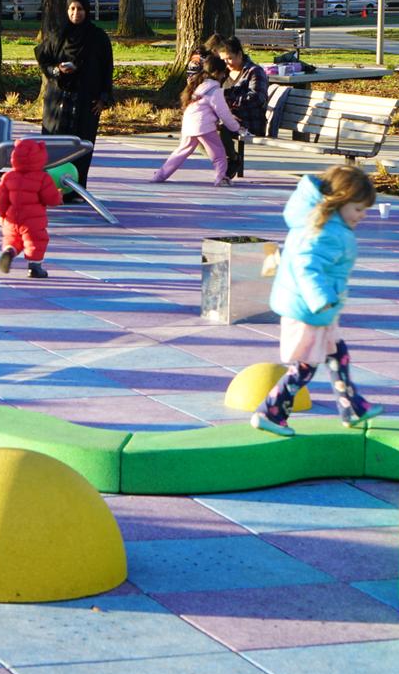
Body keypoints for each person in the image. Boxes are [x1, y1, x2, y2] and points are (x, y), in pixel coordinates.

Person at [252, 165, 382, 432]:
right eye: (358, 209)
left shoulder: (324, 224)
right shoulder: (327, 232)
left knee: (336, 351)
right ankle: (270, 413)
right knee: (306, 364)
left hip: (318, 307)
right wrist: (320, 298)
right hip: (309, 308)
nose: (362, 215)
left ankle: (351, 406)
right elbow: (306, 265)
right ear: (340, 202)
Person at [34, 0, 114, 197]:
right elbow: (43, 59)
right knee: (55, 146)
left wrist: (104, 97)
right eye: (72, 9)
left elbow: (107, 68)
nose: (76, 13)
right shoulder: (58, 35)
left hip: (86, 101)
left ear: (86, 11)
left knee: (81, 145)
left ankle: (75, 190)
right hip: (58, 102)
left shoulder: (98, 37)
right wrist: (57, 71)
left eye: (80, 9)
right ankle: (51, 189)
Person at [151, 48, 244, 184]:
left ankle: (160, 175)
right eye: (224, 73)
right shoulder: (215, 90)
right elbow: (223, 113)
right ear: (219, 73)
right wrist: (236, 127)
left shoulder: (199, 86)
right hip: (204, 127)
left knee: (180, 152)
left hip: (189, 124)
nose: (224, 76)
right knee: (219, 155)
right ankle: (220, 178)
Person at [0, 138, 60, 278]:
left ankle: (9, 251)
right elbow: (51, 199)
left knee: (13, 238)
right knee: (36, 240)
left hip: (12, 217)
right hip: (33, 220)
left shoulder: (8, 176)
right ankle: (34, 267)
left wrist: (2, 214)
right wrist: (58, 196)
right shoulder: (42, 178)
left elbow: (1, 199)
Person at [217, 36, 269, 181]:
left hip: (249, 121)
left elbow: (258, 98)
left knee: (223, 127)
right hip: (227, 117)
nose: (227, 63)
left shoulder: (254, 71)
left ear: (240, 54)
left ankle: (233, 159)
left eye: (230, 58)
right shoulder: (224, 73)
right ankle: (225, 160)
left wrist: (228, 97)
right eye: (223, 60)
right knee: (201, 130)